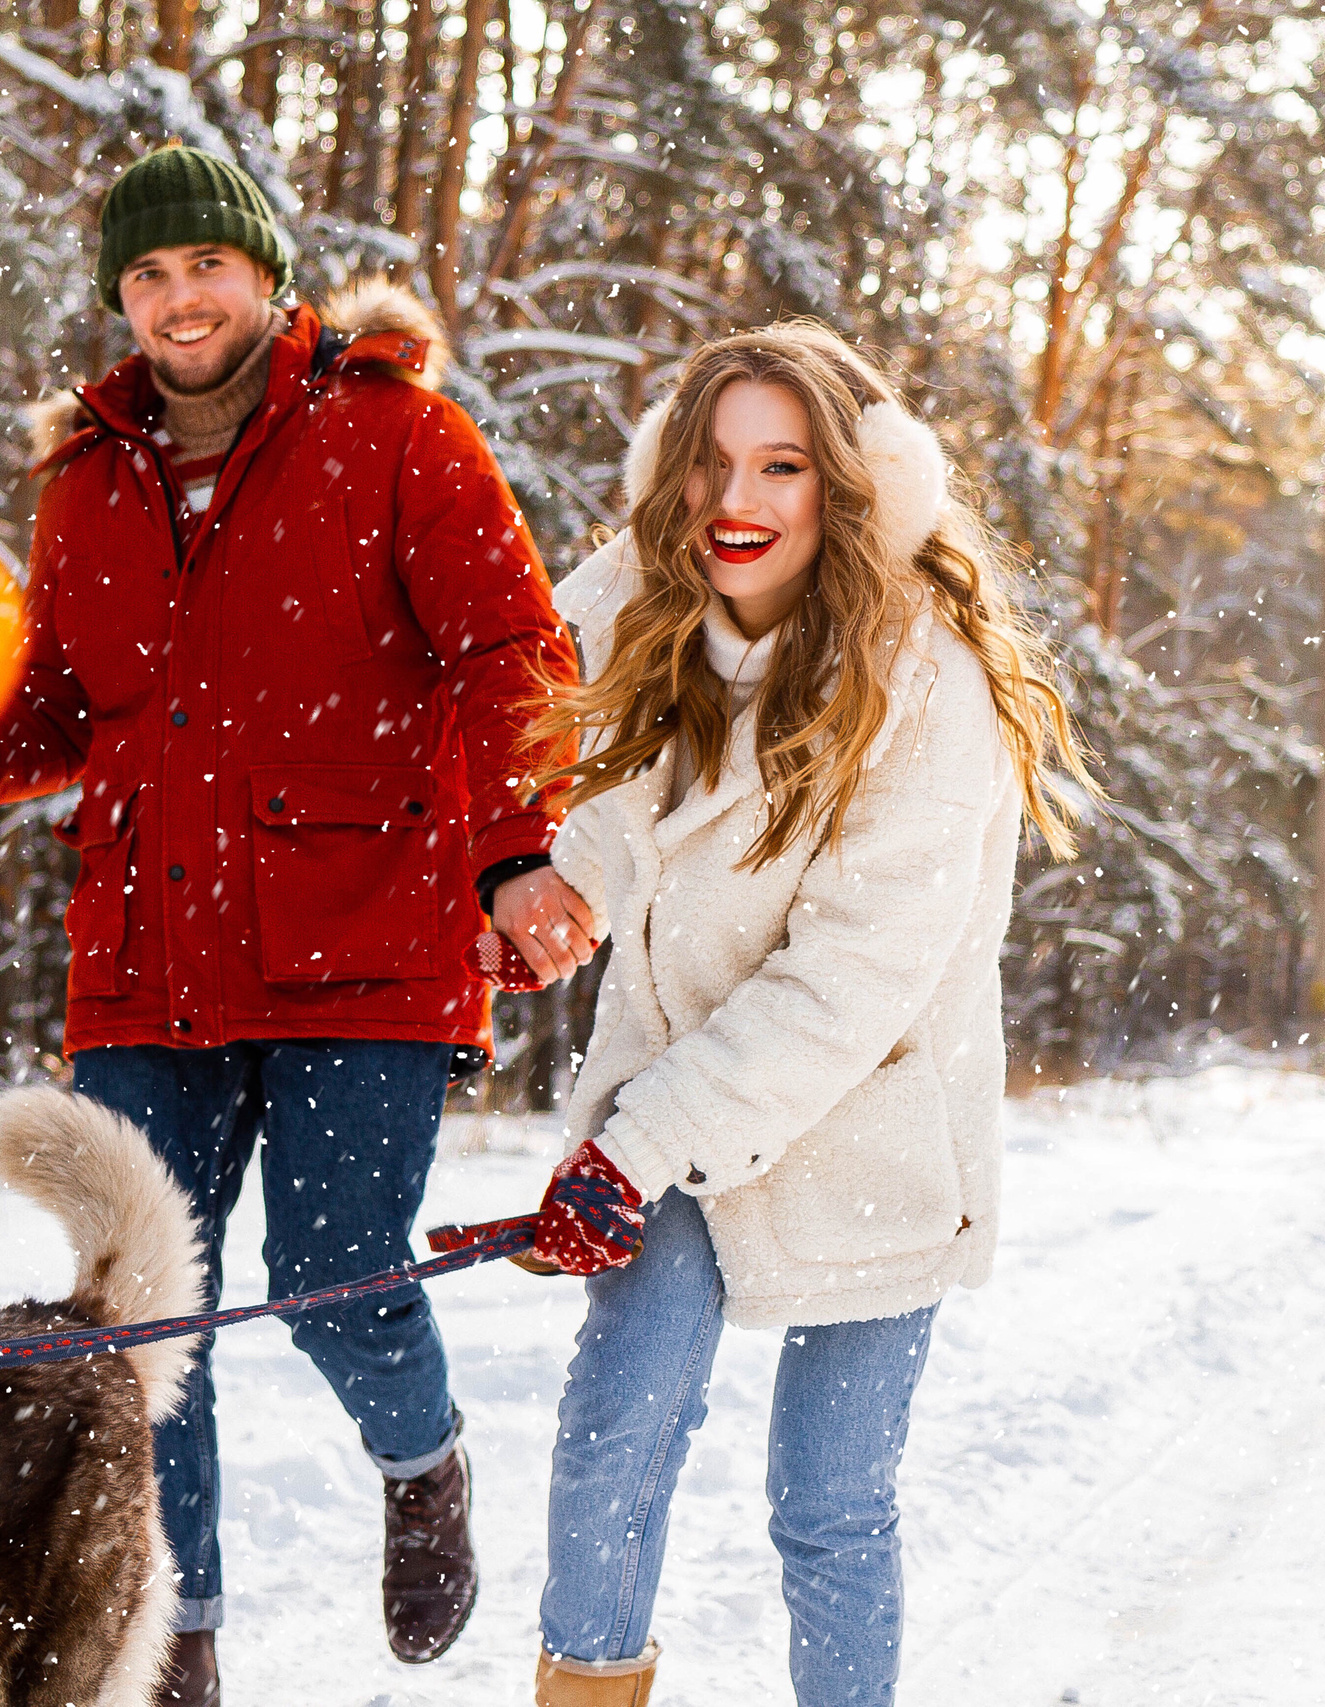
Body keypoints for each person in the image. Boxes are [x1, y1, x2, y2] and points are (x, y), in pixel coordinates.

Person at [0, 145, 588, 1705]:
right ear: (121, 303)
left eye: (205, 265)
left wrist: (516, 858)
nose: (177, 298)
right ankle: (178, 1640)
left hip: (369, 931)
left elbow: (510, 657)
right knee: (143, 1307)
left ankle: (424, 1457)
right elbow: (72, 705)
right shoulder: (85, 478)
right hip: (147, 953)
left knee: (337, 1266)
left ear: (267, 276)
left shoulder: (394, 433)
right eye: (146, 277)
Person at [511, 322, 1092, 1706]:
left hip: (866, 1115)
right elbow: (583, 791)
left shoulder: (927, 676)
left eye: (782, 466)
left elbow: (847, 985)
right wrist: (536, 904)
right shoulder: (638, 599)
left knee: (827, 1506)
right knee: (612, 1433)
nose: (739, 501)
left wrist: (630, 1149)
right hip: (678, 1091)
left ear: (850, 485)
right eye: (713, 463)